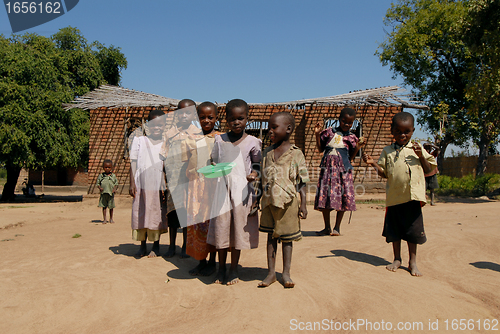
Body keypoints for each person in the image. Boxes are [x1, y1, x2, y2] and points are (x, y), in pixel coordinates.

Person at [362, 111, 436, 276]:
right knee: (394, 230)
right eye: (398, 131)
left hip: (412, 198)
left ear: (413, 130)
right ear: (392, 130)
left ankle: (412, 262)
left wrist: (420, 156)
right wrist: (373, 163)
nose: (402, 135)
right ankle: (397, 258)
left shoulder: (417, 148)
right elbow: (384, 173)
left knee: (413, 231)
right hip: (394, 198)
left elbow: (429, 168)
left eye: (406, 131)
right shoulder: (387, 151)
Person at [207, 98, 261, 285]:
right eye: (232, 119)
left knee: (237, 230)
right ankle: (221, 268)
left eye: (241, 118)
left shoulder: (253, 142)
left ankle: (233, 268)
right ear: (225, 120)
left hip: (242, 193)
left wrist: (254, 174)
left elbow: (257, 165)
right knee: (222, 230)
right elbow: (213, 161)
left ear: (248, 119)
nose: (236, 122)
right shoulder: (219, 140)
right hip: (221, 192)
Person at [257, 112, 309, 288]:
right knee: (271, 238)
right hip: (269, 203)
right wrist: (257, 199)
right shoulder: (267, 152)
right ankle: (271, 273)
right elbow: (262, 178)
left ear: (288, 129)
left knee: (287, 239)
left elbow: (302, 181)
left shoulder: (296, 154)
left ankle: (286, 273)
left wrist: (303, 204)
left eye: (274, 127)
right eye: (269, 128)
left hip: (288, 204)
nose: (270, 131)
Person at [314, 108, 365, 236]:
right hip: (328, 171)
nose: (346, 124)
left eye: (349, 123)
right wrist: (316, 134)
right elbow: (320, 149)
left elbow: (351, 158)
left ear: (352, 123)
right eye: (344, 121)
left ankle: (337, 227)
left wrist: (358, 147)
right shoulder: (328, 132)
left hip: (343, 171)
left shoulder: (352, 138)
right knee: (325, 196)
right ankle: (327, 227)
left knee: (343, 196)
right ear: (339, 119)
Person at [161, 99, 201, 258]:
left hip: (190, 180)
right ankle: (172, 245)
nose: (184, 115)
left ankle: (186, 244)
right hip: (173, 180)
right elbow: (163, 157)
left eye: (188, 112)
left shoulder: (197, 133)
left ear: (193, 114)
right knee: (172, 213)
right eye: (181, 112)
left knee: (186, 214)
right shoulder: (170, 134)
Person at [185, 101, 221, 276]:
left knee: (211, 224)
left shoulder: (221, 138)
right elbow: (186, 162)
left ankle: (212, 263)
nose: (206, 120)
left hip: (213, 188)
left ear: (216, 118)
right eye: (202, 117)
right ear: (197, 118)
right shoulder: (192, 138)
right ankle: (201, 261)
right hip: (195, 187)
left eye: (210, 117)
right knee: (197, 225)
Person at [129, 109, 168, 258]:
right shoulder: (139, 141)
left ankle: (156, 246)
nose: (156, 127)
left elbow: (166, 167)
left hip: (157, 185)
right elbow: (133, 163)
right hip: (141, 184)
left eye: (160, 125)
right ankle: (142, 246)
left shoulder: (165, 143)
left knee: (156, 214)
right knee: (141, 213)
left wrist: (164, 186)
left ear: (164, 126)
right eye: (153, 124)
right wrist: (131, 184)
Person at [96, 159, 118, 224]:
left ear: (111, 168)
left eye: (109, 167)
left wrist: (114, 189)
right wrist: (100, 188)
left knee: (111, 207)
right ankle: (104, 219)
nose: (107, 169)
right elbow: (98, 183)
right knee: (104, 206)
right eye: (106, 167)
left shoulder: (113, 176)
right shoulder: (101, 176)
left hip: (111, 194)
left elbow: (116, 183)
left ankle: (111, 218)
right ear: (103, 168)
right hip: (103, 193)